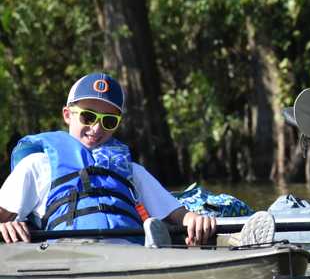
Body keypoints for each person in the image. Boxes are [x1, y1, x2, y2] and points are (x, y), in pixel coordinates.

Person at [0, 72, 218, 246]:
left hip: (127, 252)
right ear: (67, 115)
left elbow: (179, 214)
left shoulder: (130, 171)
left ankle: (156, 248)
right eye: (88, 116)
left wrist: (196, 221)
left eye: (109, 121)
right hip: (67, 254)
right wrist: (4, 226)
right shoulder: (38, 165)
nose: (97, 128)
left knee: (159, 229)